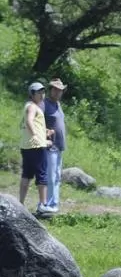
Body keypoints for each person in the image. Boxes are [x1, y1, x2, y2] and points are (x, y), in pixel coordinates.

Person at [19, 82, 55, 214]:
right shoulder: (33, 107)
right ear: (31, 94)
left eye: (42, 92)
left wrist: (45, 132)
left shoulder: (28, 106)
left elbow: (32, 124)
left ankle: (20, 203)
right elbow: (29, 121)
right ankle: (43, 204)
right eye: (38, 92)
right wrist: (36, 136)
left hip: (26, 145)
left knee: (27, 175)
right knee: (42, 174)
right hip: (37, 146)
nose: (41, 95)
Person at [42, 78, 68, 213]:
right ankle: (47, 205)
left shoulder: (58, 105)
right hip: (49, 146)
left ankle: (54, 204)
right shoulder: (44, 104)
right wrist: (45, 133)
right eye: (56, 90)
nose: (58, 92)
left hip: (59, 146)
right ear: (50, 90)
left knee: (57, 177)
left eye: (60, 90)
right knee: (50, 177)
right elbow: (36, 121)